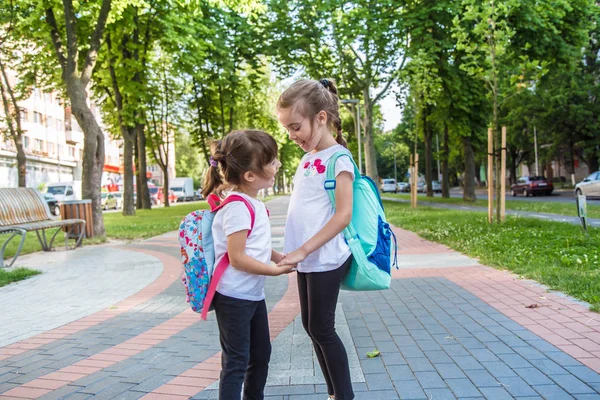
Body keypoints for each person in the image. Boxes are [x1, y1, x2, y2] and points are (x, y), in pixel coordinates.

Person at [277, 79, 355, 400]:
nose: (292, 136)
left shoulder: (339, 159)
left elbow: (343, 215)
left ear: (321, 118)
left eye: (296, 127)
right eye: (288, 130)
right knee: (312, 327)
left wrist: (304, 249)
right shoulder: (307, 159)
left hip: (325, 256)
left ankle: (344, 396)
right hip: (307, 258)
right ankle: (334, 394)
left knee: (322, 327)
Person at [201, 130, 295, 399]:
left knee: (261, 355)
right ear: (250, 176)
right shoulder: (237, 206)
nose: (277, 164)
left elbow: (255, 245)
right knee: (236, 362)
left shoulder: (250, 202)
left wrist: (277, 256)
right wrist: (274, 271)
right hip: (233, 297)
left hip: (251, 295)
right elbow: (238, 258)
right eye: (272, 160)